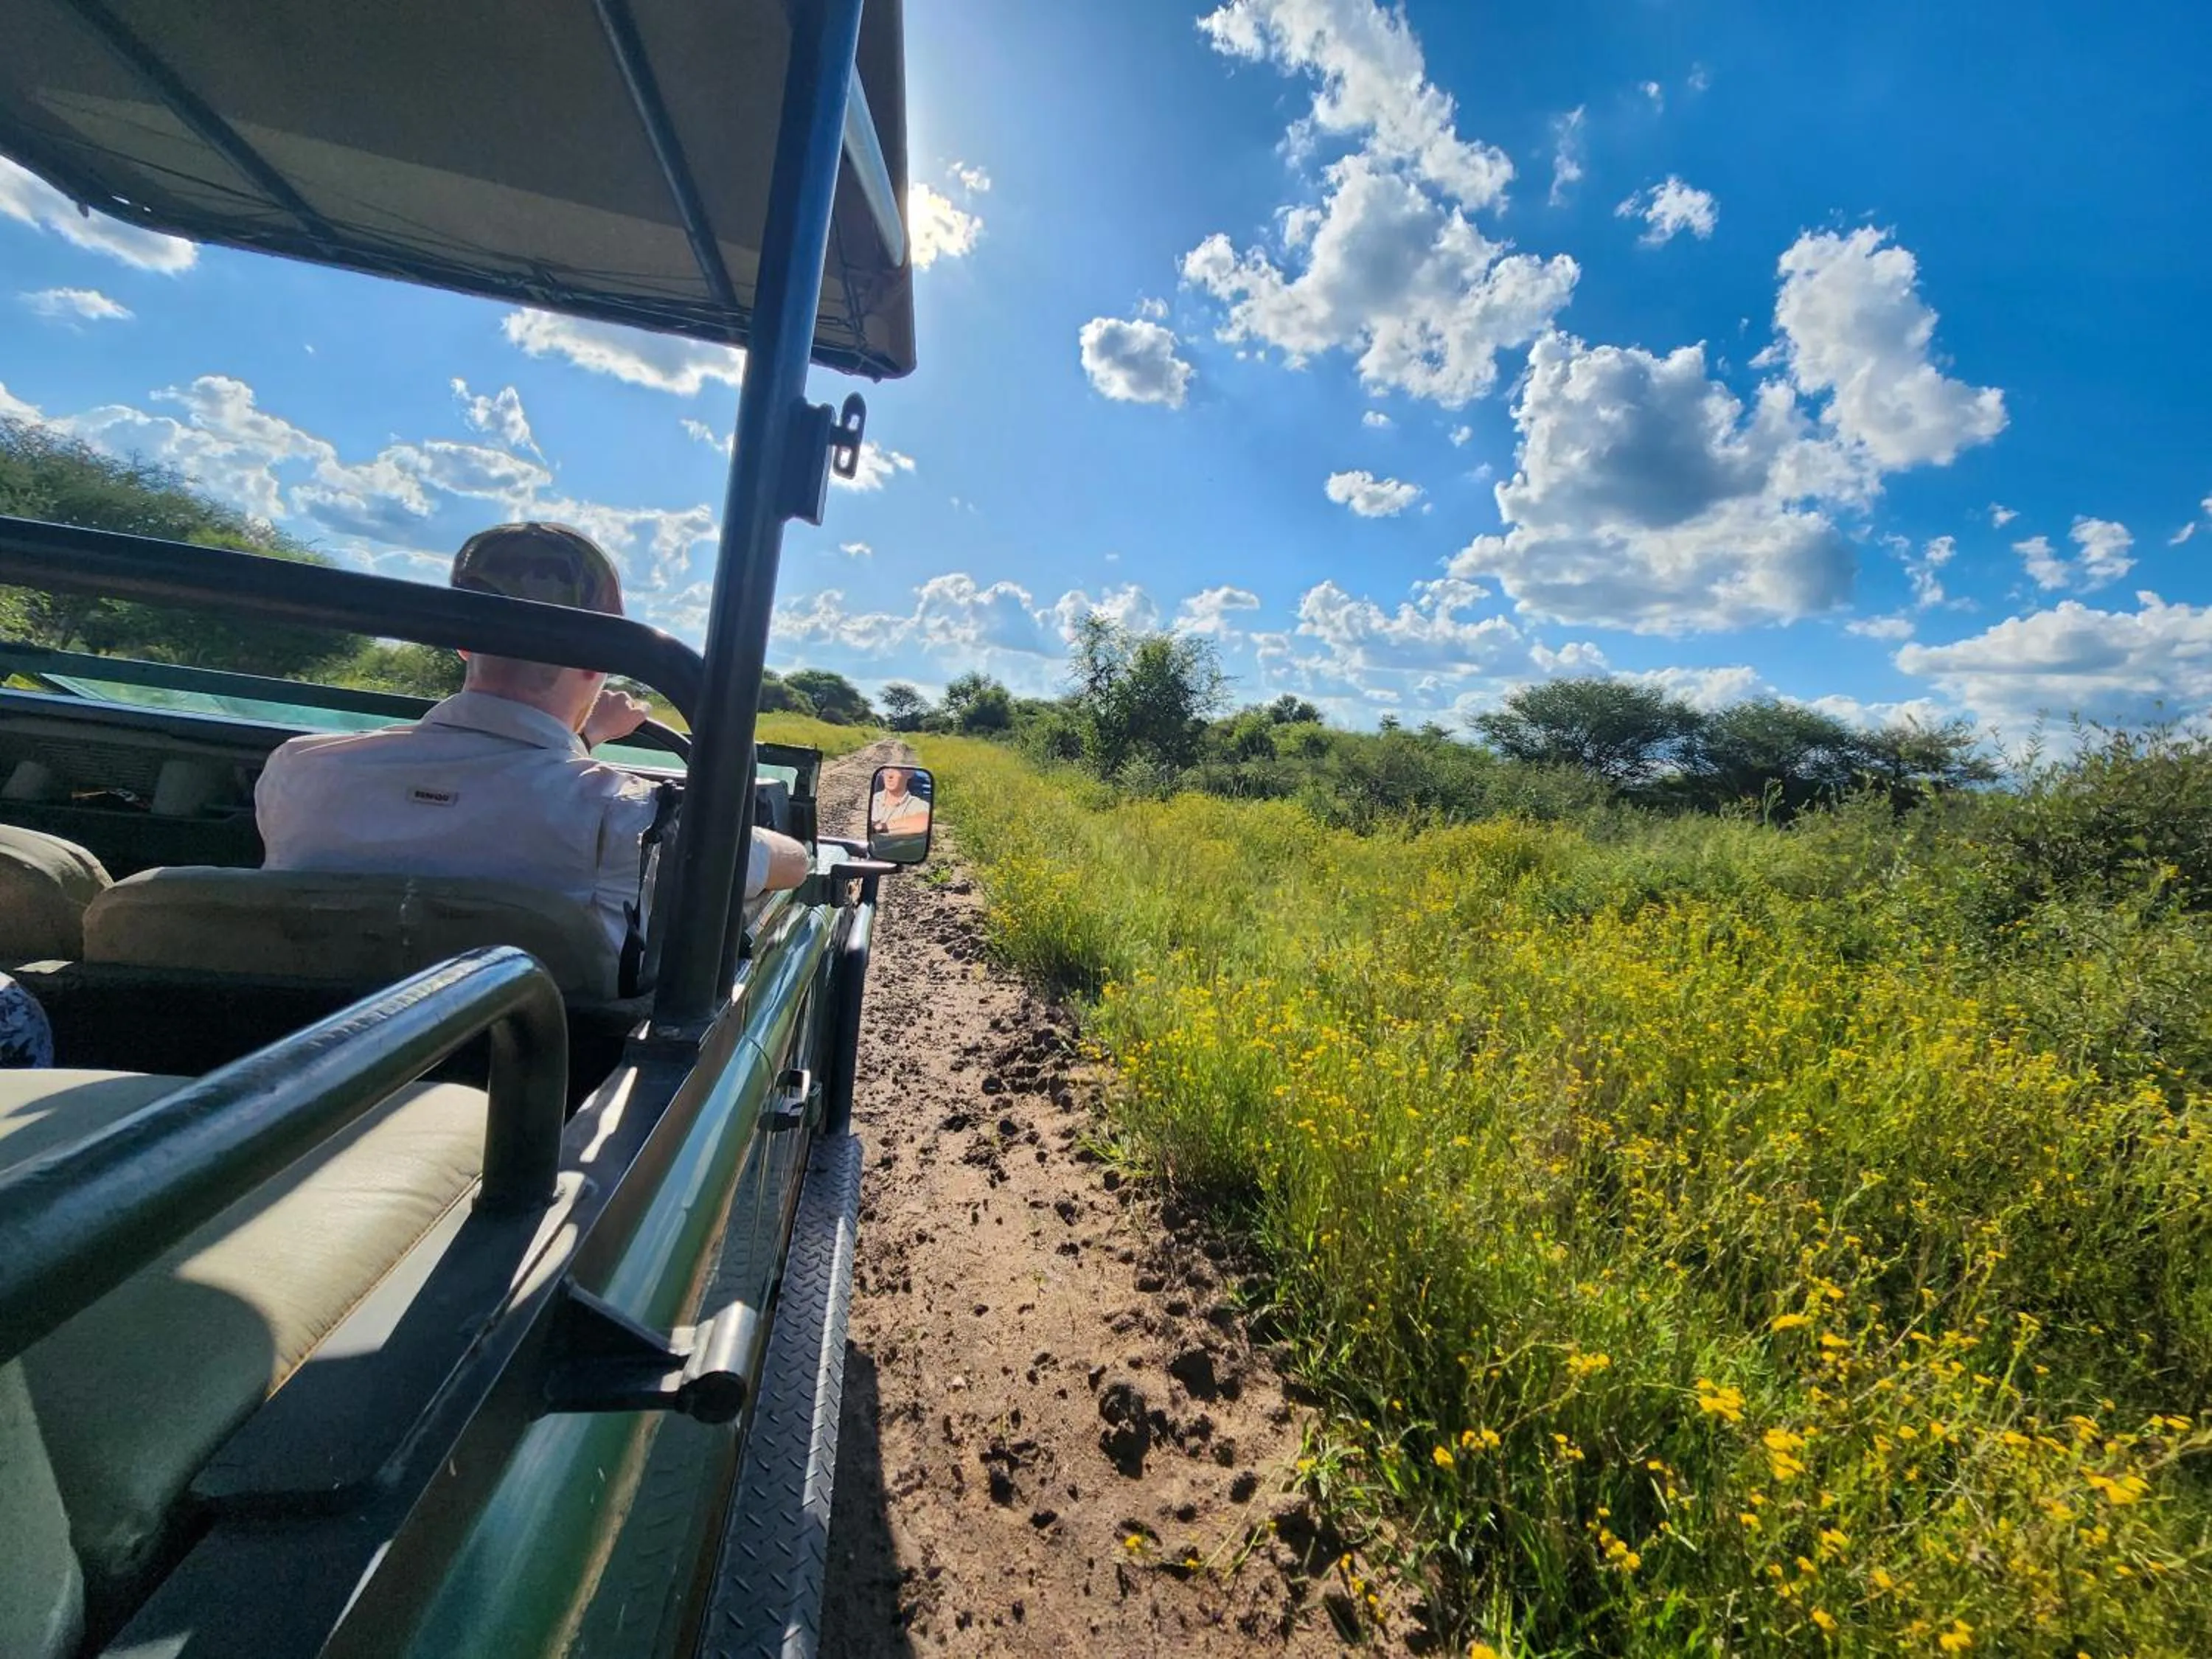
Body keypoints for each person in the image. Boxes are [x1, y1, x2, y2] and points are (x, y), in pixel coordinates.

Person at [254, 522, 810, 972]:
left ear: (462, 638)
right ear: (603, 655)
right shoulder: (626, 820)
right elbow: (787, 861)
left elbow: (489, 788)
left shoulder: (299, 772)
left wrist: (585, 741)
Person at [869, 765, 929, 837]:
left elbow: (924, 822)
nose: (890, 775)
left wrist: (880, 827)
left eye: (897, 770)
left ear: (910, 774)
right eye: (886, 770)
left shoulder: (916, 804)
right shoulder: (873, 799)